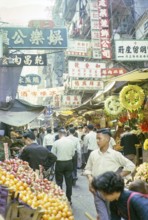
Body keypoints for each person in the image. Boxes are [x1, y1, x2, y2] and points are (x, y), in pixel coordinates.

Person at [84, 128, 135, 220]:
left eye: (99, 138)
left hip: (110, 190)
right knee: (103, 216)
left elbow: (131, 166)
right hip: (97, 190)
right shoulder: (93, 154)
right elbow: (88, 169)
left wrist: (118, 176)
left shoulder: (115, 154)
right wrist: (90, 179)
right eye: (96, 139)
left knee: (112, 216)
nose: (97, 141)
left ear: (107, 139)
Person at [51, 129, 76, 204]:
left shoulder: (56, 142)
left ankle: (60, 198)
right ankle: (69, 199)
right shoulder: (71, 142)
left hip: (59, 163)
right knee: (69, 182)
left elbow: (53, 154)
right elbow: (73, 153)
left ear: (59, 134)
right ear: (65, 134)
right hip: (69, 163)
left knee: (59, 182)